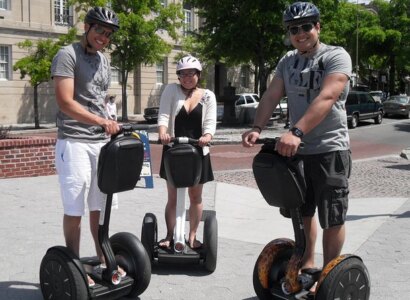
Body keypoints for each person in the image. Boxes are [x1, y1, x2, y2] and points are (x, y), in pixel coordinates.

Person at [242, 1, 352, 282]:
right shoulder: (287, 61)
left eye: (305, 27)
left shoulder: (336, 56)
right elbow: (271, 95)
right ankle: (307, 262)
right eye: (294, 29)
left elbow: (327, 97)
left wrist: (296, 132)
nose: (300, 33)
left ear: (317, 26)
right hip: (298, 152)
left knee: (332, 216)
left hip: (330, 148)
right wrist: (257, 126)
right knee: (303, 211)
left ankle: (330, 275)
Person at [51, 7, 123, 287]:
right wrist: (99, 121)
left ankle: (103, 259)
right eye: (99, 31)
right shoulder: (66, 55)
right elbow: (65, 102)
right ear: (87, 27)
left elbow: (101, 99)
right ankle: (74, 269)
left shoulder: (104, 60)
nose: (103, 38)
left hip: (99, 142)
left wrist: (111, 121)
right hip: (74, 141)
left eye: (107, 34)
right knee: (75, 208)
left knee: (100, 206)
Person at [157, 55, 217, 249]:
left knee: (195, 197)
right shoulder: (171, 90)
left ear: (198, 75)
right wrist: (163, 133)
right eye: (183, 74)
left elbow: (210, 121)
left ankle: (192, 235)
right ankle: (169, 235)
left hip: (198, 152)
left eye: (191, 73)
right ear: (179, 76)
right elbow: (164, 115)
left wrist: (207, 136)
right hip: (174, 150)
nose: (187, 77)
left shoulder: (208, 95)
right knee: (173, 197)